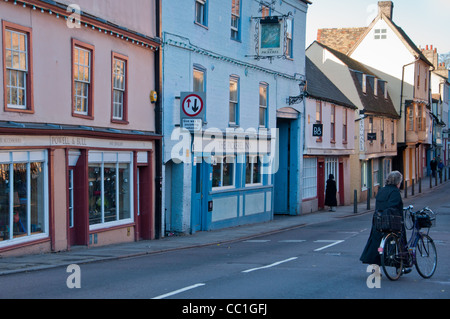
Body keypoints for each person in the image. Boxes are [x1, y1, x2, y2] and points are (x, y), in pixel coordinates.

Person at [360, 171, 411, 273]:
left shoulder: (381, 190)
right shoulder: (395, 192)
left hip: (379, 221)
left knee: (376, 243)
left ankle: (375, 266)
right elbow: (395, 208)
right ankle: (401, 266)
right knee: (400, 241)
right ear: (398, 181)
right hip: (392, 221)